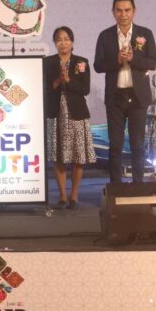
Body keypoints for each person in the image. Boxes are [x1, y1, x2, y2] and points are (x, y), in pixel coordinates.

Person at [94, 0, 156, 183]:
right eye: (119, 10)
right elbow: (98, 65)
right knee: (115, 144)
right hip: (115, 97)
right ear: (113, 12)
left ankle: (138, 185)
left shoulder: (145, 34)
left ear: (134, 11)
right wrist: (116, 60)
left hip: (138, 96)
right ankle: (116, 186)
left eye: (127, 10)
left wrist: (133, 59)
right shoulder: (105, 35)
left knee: (137, 144)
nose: (123, 14)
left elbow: (153, 62)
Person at [44, 26, 96, 209]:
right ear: (54, 43)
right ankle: (62, 195)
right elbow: (44, 87)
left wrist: (69, 81)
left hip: (76, 113)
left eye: (66, 39)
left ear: (72, 42)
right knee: (58, 157)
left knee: (77, 156)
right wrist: (59, 81)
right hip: (55, 112)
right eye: (59, 39)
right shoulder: (48, 62)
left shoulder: (81, 62)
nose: (63, 43)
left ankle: (74, 195)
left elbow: (85, 89)